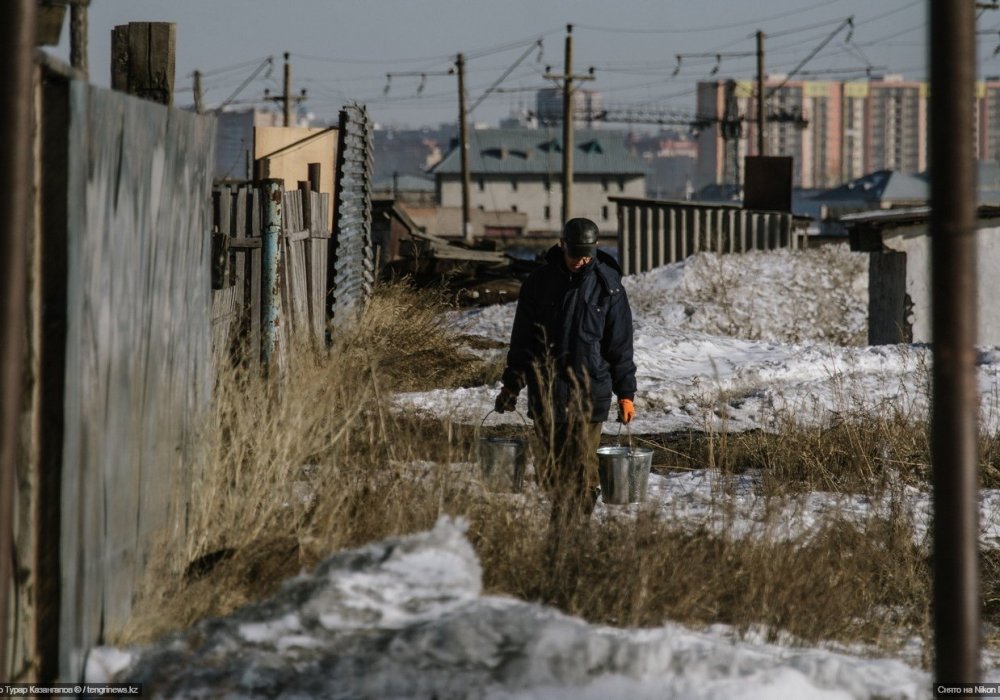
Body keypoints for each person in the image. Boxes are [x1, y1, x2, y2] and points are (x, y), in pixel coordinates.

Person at [493, 217, 637, 523]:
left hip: (590, 393)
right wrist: (511, 385)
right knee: (550, 471)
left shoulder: (608, 288)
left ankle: (575, 529)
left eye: (586, 256)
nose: (580, 262)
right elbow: (523, 341)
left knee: (584, 470)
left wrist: (626, 393)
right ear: (562, 246)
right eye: (575, 255)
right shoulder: (539, 284)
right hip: (546, 393)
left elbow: (620, 346)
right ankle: (561, 523)